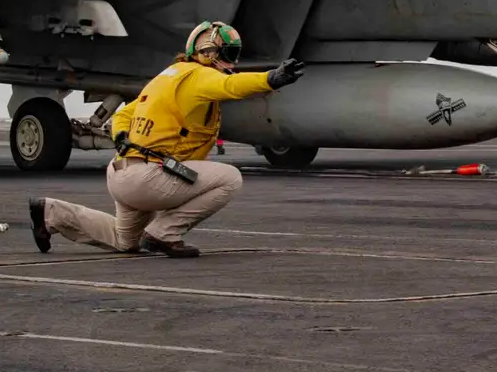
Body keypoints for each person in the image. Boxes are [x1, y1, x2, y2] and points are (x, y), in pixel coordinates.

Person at [28, 21, 305, 258]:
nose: (232, 60)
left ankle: (50, 212)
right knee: (230, 178)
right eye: (229, 53)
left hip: (122, 173)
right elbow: (230, 86)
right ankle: (164, 233)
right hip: (149, 178)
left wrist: (121, 136)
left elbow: (124, 115)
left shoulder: (166, 77)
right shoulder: (198, 75)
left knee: (125, 241)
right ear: (208, 52)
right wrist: (271, 79)